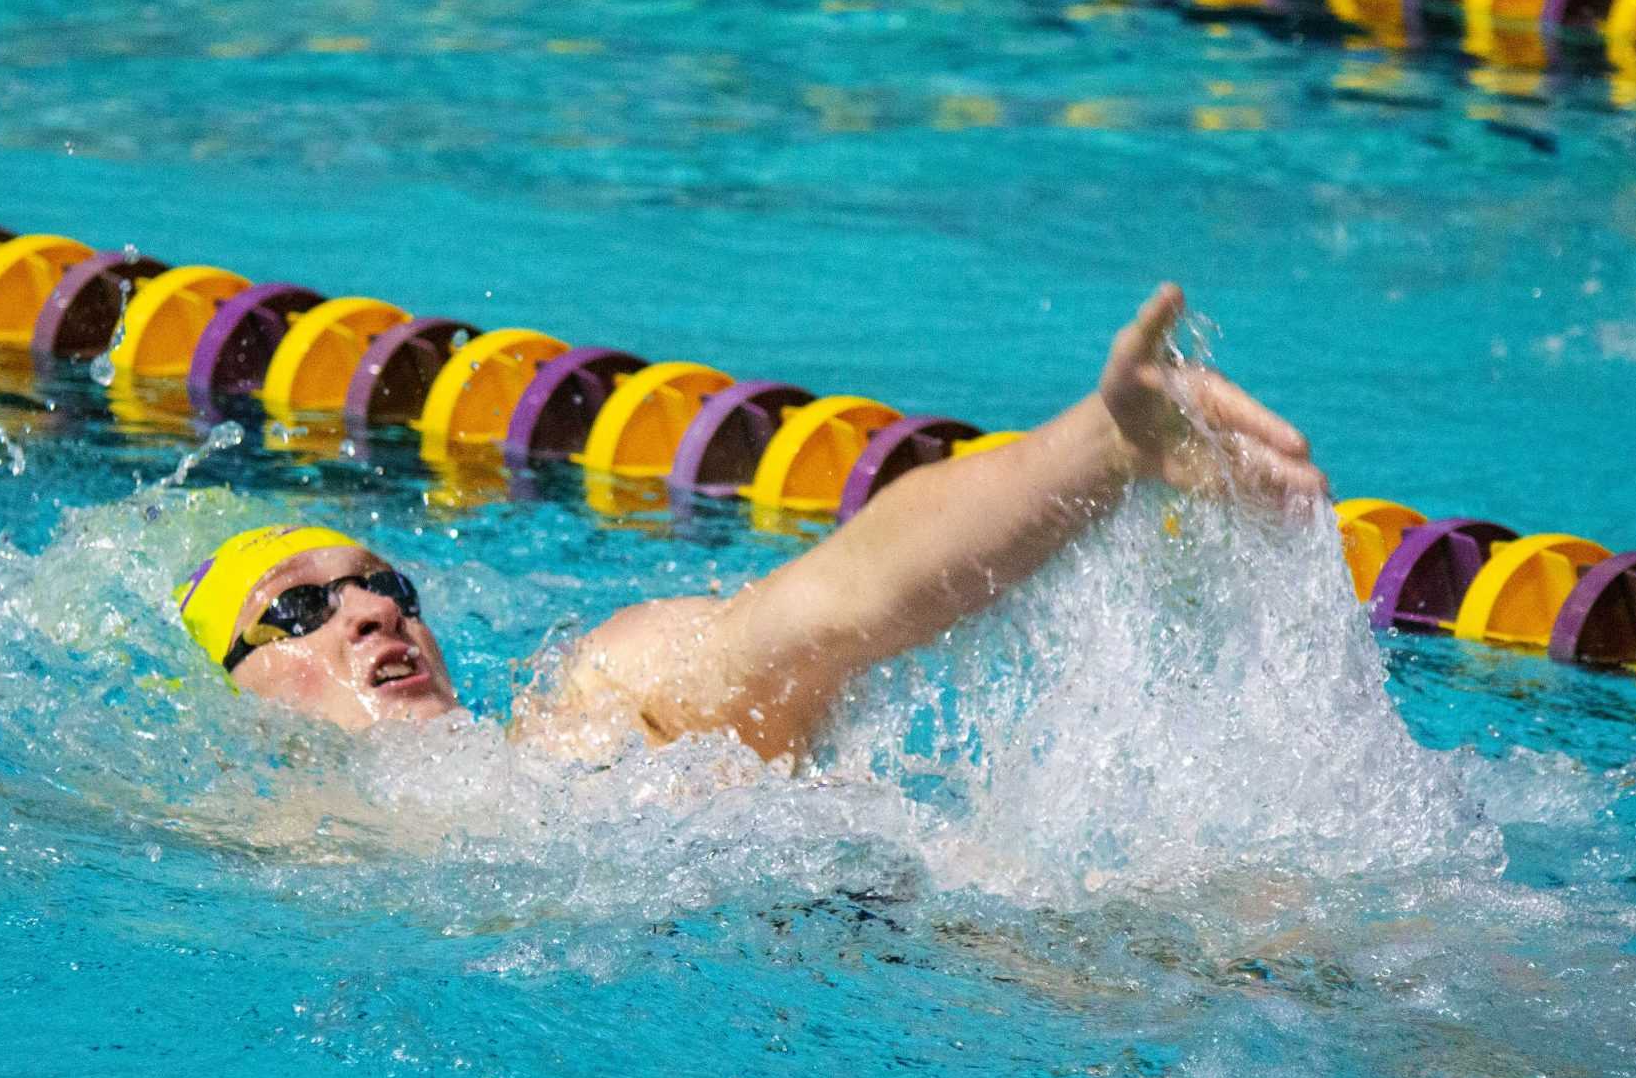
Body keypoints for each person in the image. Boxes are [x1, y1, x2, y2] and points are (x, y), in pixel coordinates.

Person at [172, 285, 1326, 764]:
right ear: (234, 691)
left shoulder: (599, 712)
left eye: (387, 586)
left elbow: (834, 606)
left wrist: (1101, 446)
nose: (374, 606)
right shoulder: (223, 851)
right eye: (303, 609)